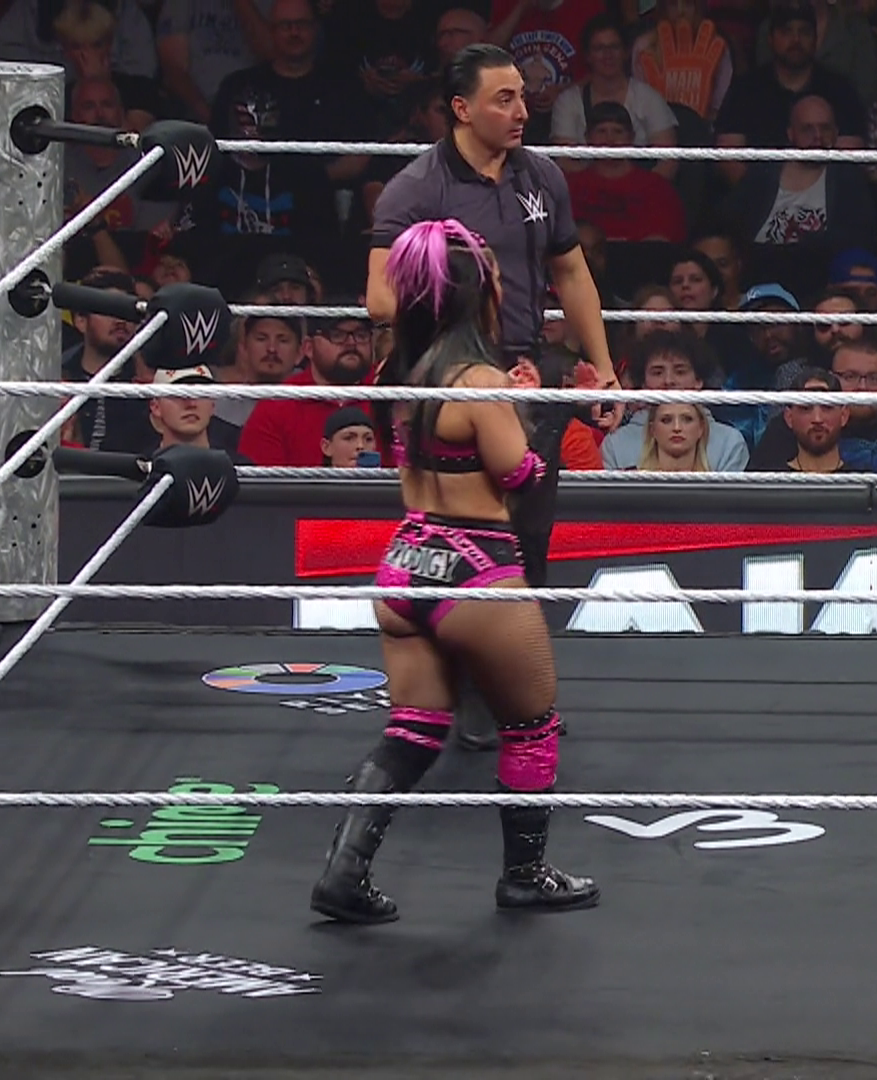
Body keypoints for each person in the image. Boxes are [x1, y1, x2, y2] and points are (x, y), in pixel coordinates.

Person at [311, 220, 601, 925]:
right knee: (532, 726)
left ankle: (343, 874)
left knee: (413, 726)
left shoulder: (396, 374)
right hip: (477, 569)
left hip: (405, 564)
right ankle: (525, 875)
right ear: (481, 297)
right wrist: (532, 410)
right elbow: (522, 477)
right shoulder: (478, 383)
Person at [367, 43, 624, 590]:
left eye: (522, 98)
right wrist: (457, 317)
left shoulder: (542, 177)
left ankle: (516, 630)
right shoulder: (417, 188)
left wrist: (603, 367)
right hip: (447, 378)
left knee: (529, 532)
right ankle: (454, 625)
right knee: (455, 525)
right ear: (461, 108)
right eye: (503, 100)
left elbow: (572, 273)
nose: (522, 112)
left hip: (523, 370)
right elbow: (381, 298)